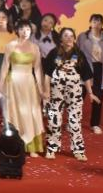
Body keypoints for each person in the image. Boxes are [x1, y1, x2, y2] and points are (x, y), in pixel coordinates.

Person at [43, 28, 97, 161]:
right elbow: (47, 74)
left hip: (74, 93)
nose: (69, 38)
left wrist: (90, 93)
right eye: (66, 35)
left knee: (75, 122)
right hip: (56, 92)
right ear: (61, 39)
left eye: (71, 35)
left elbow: (86, 75)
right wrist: (46, 91)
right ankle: (51, 148)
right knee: (54, 120)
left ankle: (78, 150)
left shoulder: (79, 54)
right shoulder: (54, 53)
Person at [0, 19, 46, 156]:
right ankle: (15, 146)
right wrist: (0, 86)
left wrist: (41, 89)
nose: (25, 32)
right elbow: (5, 67)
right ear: (17, 31)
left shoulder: (35, 47)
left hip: (29, 84)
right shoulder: (10, 46)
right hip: (13, 84)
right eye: (22, 29)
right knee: (16, 113)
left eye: (28, 29)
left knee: (31, 113)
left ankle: (31, 147)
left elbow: (37, 69)